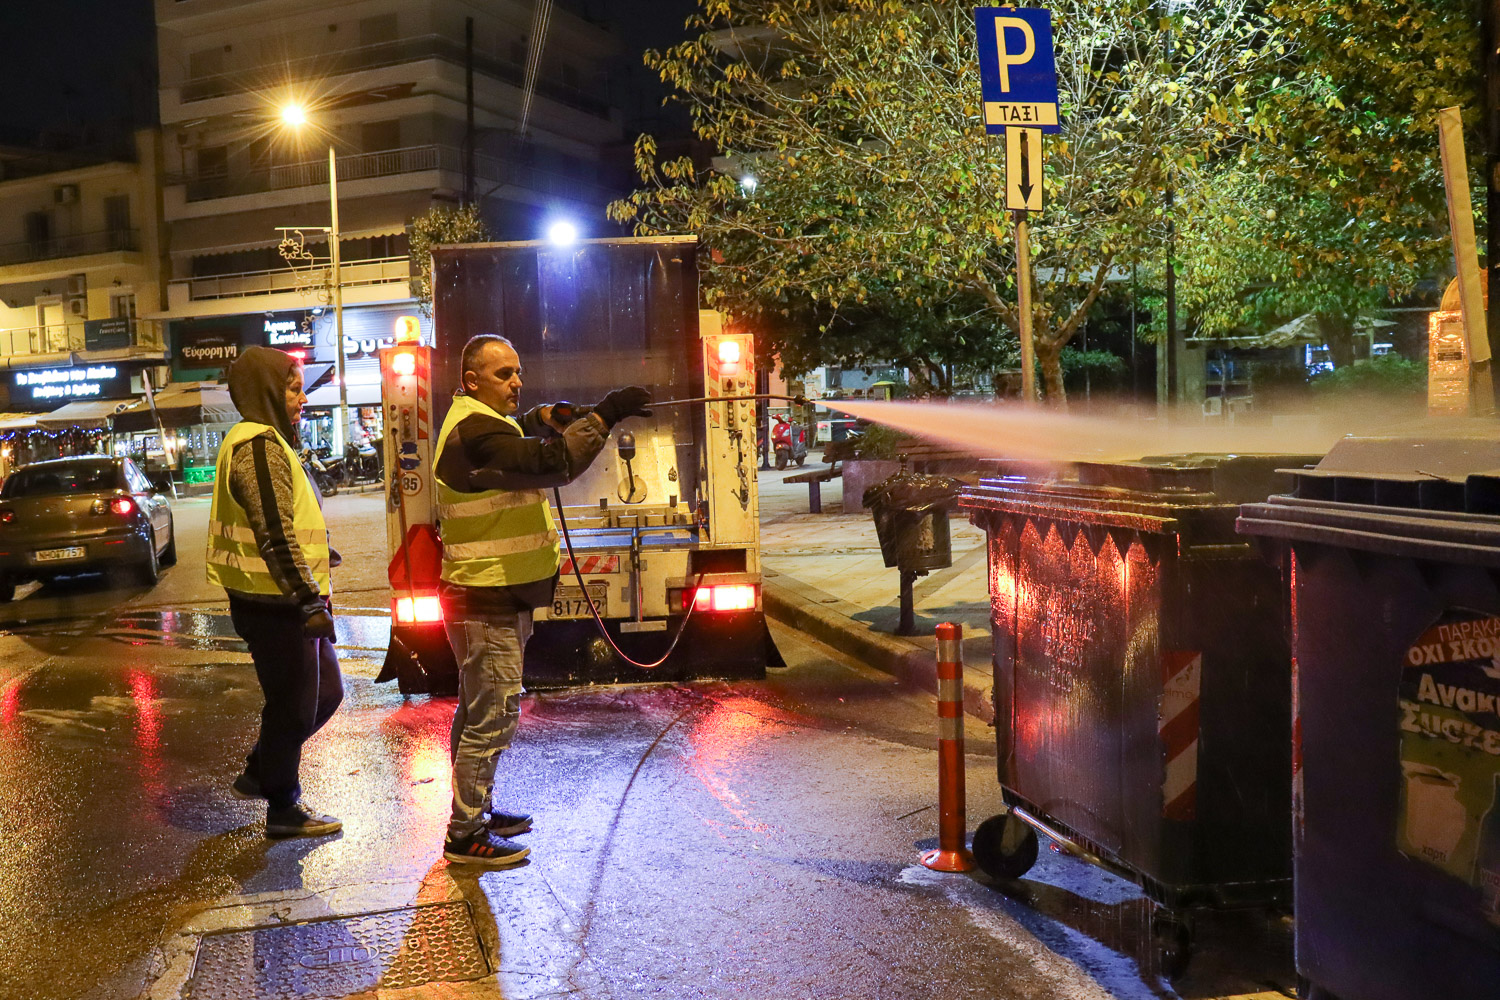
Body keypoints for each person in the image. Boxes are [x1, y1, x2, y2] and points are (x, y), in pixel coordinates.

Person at [435, 333, 651, 866]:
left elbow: (518, 431)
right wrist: (604, 415)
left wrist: (546, 413)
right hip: (487, 596)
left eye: (518, 372)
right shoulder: (474, 431)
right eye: (504, 374)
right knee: (494, 713)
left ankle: (476, 809)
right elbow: (552, 461)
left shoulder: (479, 421)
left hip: (495, 593)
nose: (516, 381)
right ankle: (465, 835)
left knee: (479, 707)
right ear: (471, 381)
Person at [207, 346, 344, 839]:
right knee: (292, 706)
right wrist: (308, 599)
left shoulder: (270, 442)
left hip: (282, 598)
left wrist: (321, 557)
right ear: (265, 390)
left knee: (325, 693)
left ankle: (262, 770)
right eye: (291, 387)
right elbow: (274, 532)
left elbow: (285, 524)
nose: (302, 397)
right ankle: (283, 807)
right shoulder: (259, 445)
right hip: (277, 604)